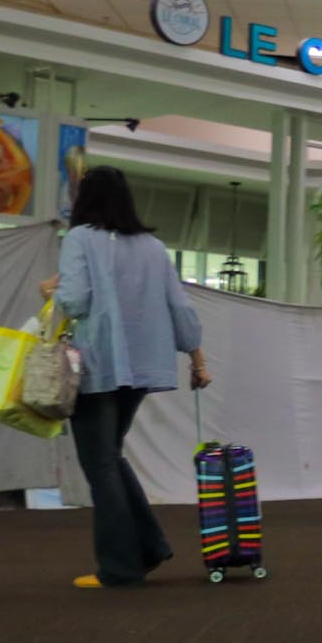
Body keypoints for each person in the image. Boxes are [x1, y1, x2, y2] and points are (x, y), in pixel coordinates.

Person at [42, 165, 209, 590]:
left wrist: (51, 294)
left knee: (99, 463)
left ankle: (120, 566)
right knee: (111, 457)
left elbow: (75, 302)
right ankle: (149, 547)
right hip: (143, 367)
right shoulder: (154, 247)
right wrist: (197, 359)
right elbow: (181, 308)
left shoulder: (80, 239)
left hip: (98, 365)